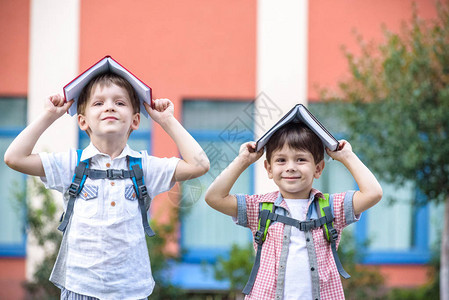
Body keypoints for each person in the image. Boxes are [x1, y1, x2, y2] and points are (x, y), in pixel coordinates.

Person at [4, 72, 210, 299]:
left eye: (120, 102)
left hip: (132, 292)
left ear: (135, 120)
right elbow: (14, 157)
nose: (110, 107)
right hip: (79, 289)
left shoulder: (145, 167)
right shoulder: (72, 164)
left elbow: (199, 164)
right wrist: (49, 116)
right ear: (83, 121)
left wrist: (167, 120)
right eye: (99, 103)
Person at [205, 122, 382, 299]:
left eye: (301, 159)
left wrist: (347, 156)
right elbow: (214, 197)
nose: (290, 167)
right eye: (281, 160)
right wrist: (243, 160)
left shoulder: (331, 206)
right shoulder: (259, 208)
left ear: (318, 168)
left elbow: (373, 193)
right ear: (269, 169)